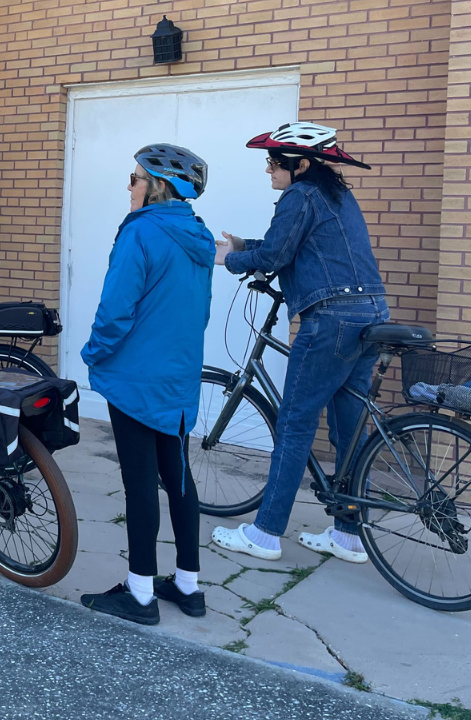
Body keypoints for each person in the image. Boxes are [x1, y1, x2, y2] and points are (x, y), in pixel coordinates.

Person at [211, 122, 386, 565]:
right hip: (370, 315)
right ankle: (348, 534)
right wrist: (244, 243)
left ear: (301, 165)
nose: (269, 170)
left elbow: (274, 257)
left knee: (294, 425)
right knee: (349, 428)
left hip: (330, 320)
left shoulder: (299, 195)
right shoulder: (335, 196)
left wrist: (228, 257)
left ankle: (265, 533)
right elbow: (291, 246)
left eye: (274, 163)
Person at [79, 144, 215, 625]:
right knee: (178, 479)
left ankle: (140, 594)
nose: (129, 186)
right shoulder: (198, 236)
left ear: (159, 186)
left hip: (136, 379)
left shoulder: (140, 234)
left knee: (139, 484)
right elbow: (200, 313)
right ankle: (188, 586)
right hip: (177, 380)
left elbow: (116, 310)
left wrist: (93, 352)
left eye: (135, 178)